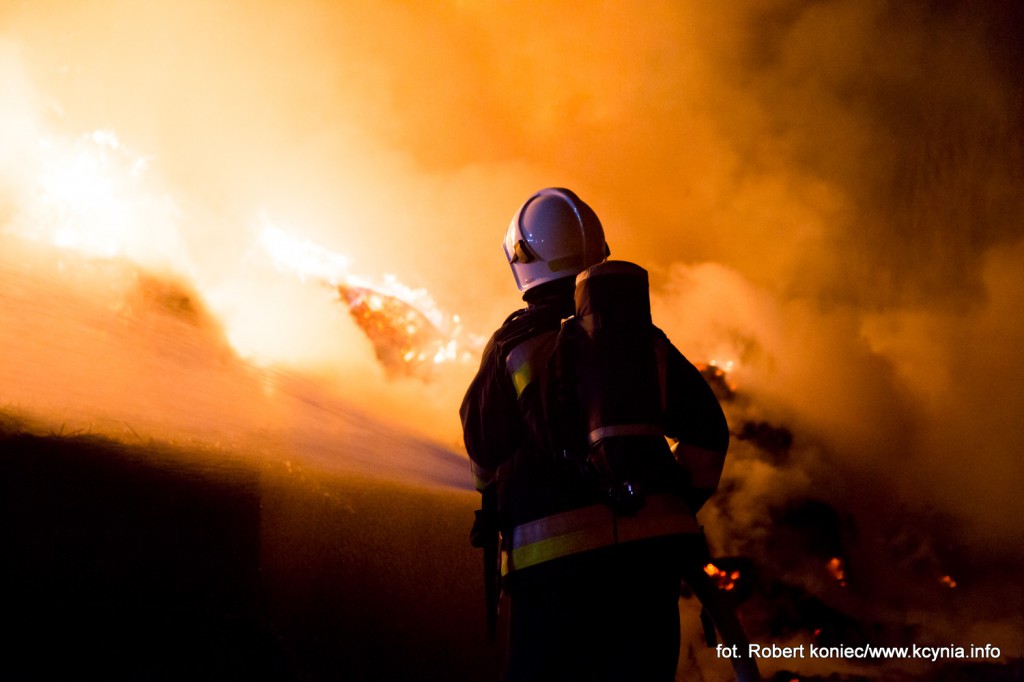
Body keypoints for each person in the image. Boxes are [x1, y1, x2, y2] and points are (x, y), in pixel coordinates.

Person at [461, 188, 753, 682]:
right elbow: (708, 434)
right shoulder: (644, 343)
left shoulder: (512, 347)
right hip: (648, 571)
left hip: (551, 581)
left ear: (521, 260)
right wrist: (670, 500)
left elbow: (482, 453)